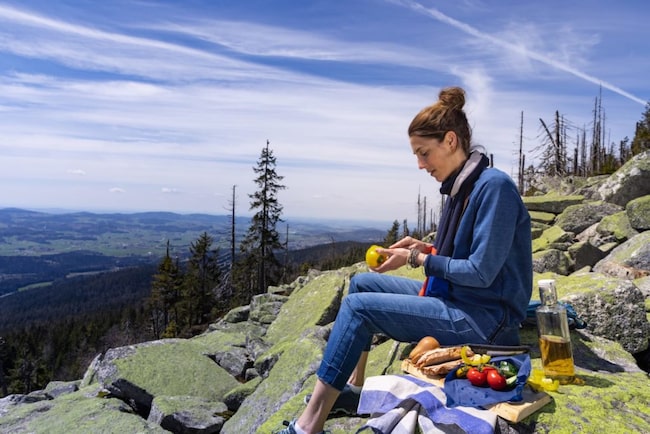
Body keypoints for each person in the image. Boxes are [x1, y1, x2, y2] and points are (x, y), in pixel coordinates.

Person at [275, 86, 532, 434]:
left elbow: (481, 272)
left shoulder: (493, 187)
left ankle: (308, 427)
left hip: (485, 321)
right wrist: (425, 249)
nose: (420, 165)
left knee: (359, 309)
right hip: (461, 299)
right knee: (360, 284)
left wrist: (416, 259)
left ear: (451, 141)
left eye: (424, 153)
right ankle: (355, 388)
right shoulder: (464, 187)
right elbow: (465, 255)